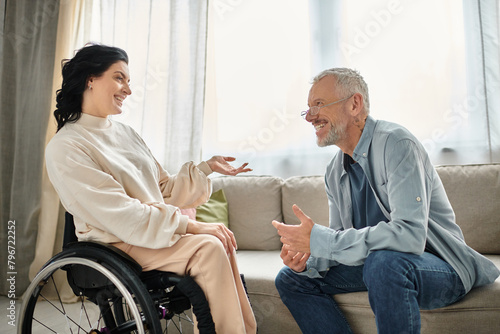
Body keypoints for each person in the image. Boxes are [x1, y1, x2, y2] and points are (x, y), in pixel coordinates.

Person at [45, 44, 257, 334]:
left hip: (147, 234)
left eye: (129, 81)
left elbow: (164, 190)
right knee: (209, 246)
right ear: (90, 79)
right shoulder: (66, 146)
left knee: (220, 240)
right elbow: (120, 214)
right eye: (120, 78)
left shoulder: (126, 134)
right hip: (116, 243)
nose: (128, 90)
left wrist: (206, 167)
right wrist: (192, 228)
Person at [272, 68, 500, 333]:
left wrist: (323, 240)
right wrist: (310, 257)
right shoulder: (334, 171)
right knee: (292, 279)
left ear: (355, 104)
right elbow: (341, 239)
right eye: (308, 108)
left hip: (439, 265)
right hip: (378, 266)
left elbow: (411, 237)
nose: (310, 116)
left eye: (319, 105)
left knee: (383, 262)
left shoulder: (397, 144)